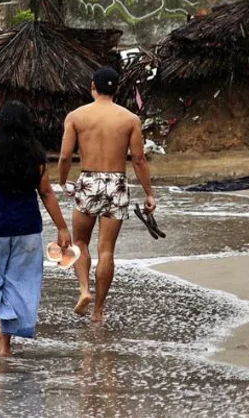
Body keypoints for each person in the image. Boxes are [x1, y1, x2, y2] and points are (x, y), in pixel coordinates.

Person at [0, 101, 73, 357]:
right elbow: (46, 192)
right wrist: (62, 227)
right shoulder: (35, 153)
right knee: (19, 284)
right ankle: (6, 347)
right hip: (27, 229)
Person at [57, 66, 156, 324]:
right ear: (116, 89)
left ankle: (84, 290)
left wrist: (63, 181)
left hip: (89, 181)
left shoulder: (76, 117)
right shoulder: (130, 119)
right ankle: (98, 310)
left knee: (80, 242)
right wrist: (149, 193)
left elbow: (65, 156)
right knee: (107, 250)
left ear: (93, 86)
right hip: (117, 183)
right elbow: (138, 159)